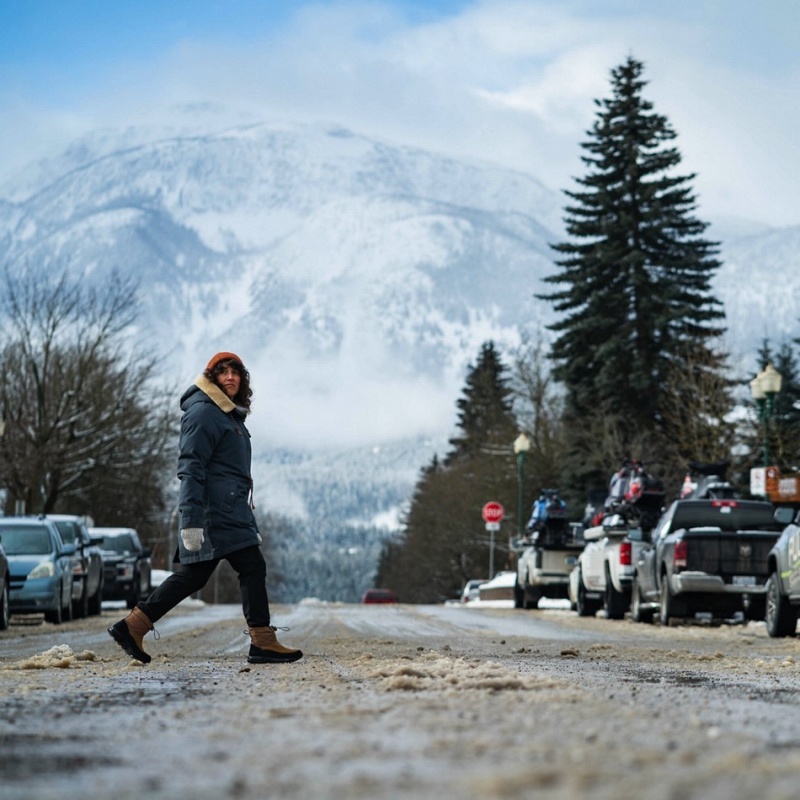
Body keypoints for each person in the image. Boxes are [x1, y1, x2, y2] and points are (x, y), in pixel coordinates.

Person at [108, 351, 302, 665]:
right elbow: (191, 468)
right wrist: (191, 521)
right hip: (215, 513)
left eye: (236, 372)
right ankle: (262, 641)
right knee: (250, 567)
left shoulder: (225, 413)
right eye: (222, 372)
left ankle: (133, 626)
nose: (230, 378)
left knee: (195, 577)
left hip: (228, 510)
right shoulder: (203, 413)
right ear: (211, 378)